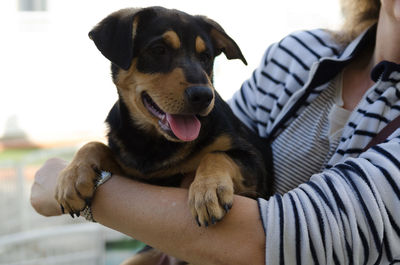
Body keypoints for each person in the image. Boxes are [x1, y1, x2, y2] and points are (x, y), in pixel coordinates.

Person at [31, 0, 400, 264]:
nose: (198, 83)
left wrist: (90, 195)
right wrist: (89, 158)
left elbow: (269, 243)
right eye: (160, 51)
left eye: (205, 58)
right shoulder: (298, 55)